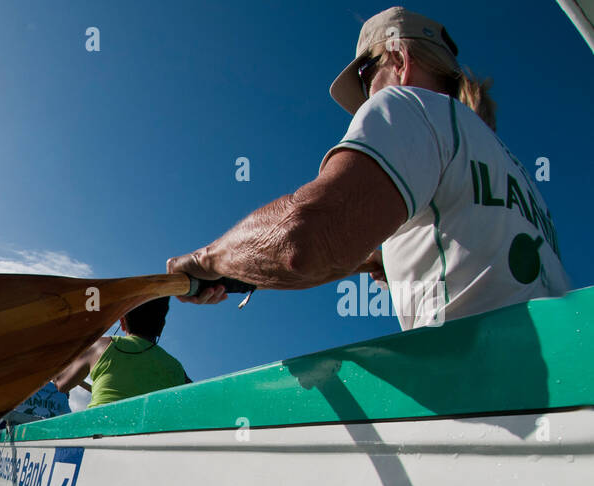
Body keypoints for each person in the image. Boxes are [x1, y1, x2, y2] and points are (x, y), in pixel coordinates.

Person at [166, 6, 571, 330]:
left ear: (398, 59)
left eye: (365, 77)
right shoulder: (514, 171)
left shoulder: (407, 104)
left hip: (487, 402)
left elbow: (304, 241)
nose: (366, 100)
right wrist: (389, 260)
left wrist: (207, 260)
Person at [53, 296, 190, 409]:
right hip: (155, 438)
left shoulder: (101, 345)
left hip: (101, 433)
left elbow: (62, 385)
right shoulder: (177, 368)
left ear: (122, 323)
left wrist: (55, 372)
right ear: (161, 327)